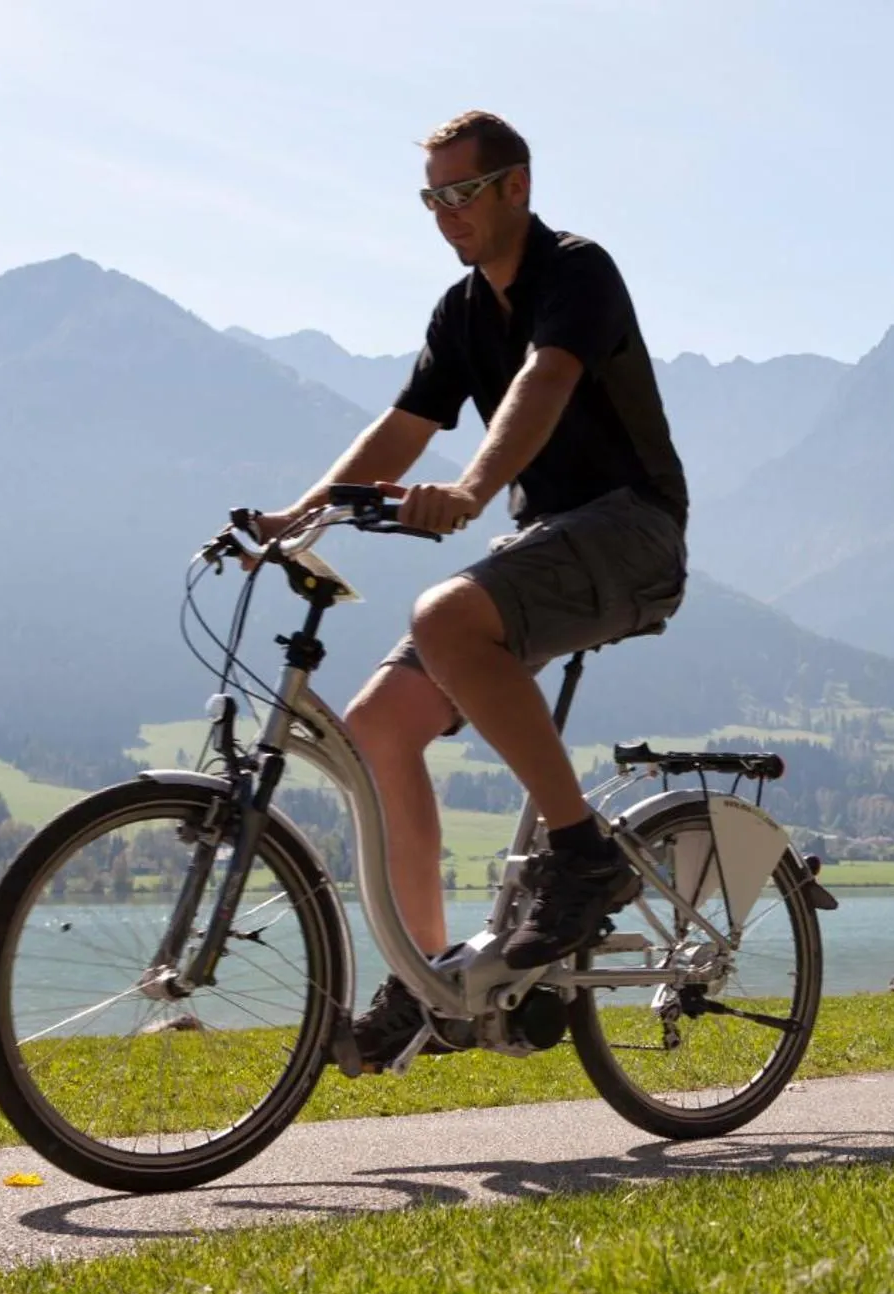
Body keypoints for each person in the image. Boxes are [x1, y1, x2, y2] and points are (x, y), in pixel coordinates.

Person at [256, 110, 688, 1067]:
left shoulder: (578, 269)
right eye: (432, 198)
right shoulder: (458, 311)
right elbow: (406, 424)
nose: (446, 214)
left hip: (633, 527)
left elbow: (546, 379)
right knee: (376, 729)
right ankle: (432, 978)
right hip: (548, 538)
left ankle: (582, 854)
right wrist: (294, 518)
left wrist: (472, 489)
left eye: (463, 193)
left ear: (516, 187)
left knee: (446, 611)